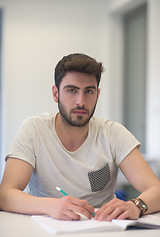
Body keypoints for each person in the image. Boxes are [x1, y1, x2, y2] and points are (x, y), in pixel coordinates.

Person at [0, 53, 160, 221]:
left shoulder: (114, 133)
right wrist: (49, 206)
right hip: (47, 226)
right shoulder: (33, 130)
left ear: (97, 95)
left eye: (89, 91)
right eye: (71, 90)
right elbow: (5, 194)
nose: (80, 101)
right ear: (56, 93)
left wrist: (136, 205)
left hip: (103, 227)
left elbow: (155, 188)